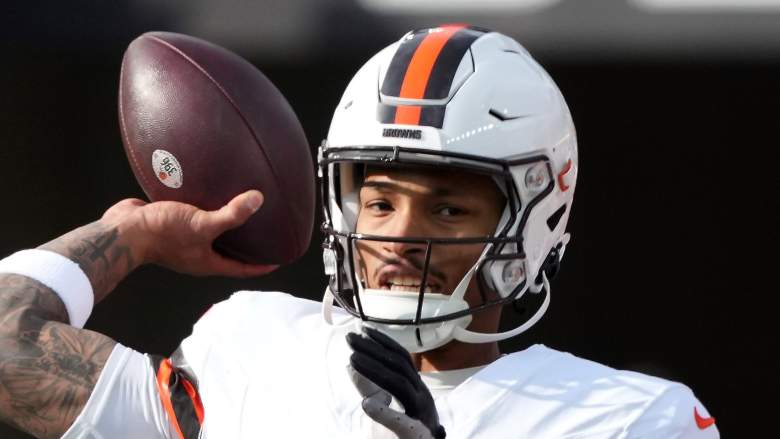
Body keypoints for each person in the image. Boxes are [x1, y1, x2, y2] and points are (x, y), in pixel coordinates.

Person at [0, 25, 718, 439]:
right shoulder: (252, 353)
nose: (399, 237)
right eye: (378, 203)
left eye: (446, 209)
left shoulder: (626, 420)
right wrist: (129, 234)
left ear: (534, 223)